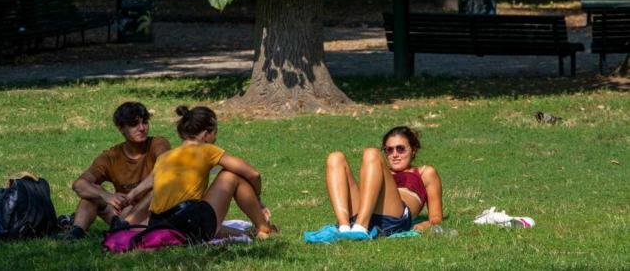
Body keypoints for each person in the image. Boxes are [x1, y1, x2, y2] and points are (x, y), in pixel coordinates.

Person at [125, 105, 276, 243]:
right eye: (214, 134)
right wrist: (258, 202)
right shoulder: (206, 149)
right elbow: (253, 174)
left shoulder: (165, 157)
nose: (215, 139)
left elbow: (152, 179)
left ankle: (246, 233)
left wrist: (131, 194)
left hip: (158, 226)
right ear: (205, 134)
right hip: (189, 223)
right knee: (231, 175)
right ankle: (263, 227)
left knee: (199, 209)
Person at [305, 126, 442, 242]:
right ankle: (344, 227)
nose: (394, 154)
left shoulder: (425, 173)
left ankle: (360, 227)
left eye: (400, 149)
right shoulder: (377, 168)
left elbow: (436, 216)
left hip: (394, 217)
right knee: (335, 158)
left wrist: (427, 224)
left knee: (371, 153)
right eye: (389, 150)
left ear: (413, 150)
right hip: (367, 211)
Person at [59, 101, 171, 240]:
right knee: (91, 195)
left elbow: (165, 171)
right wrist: (106, 196)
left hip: (154, 212)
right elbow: (79, 185)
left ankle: (122, 228)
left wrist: (133, 194)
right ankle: (75, 234)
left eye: (145, 122)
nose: (142, 128)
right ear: (121, 128)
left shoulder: (158, 143)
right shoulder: (111, 157)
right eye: (134, 124)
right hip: (125, 212)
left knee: (158, 187)